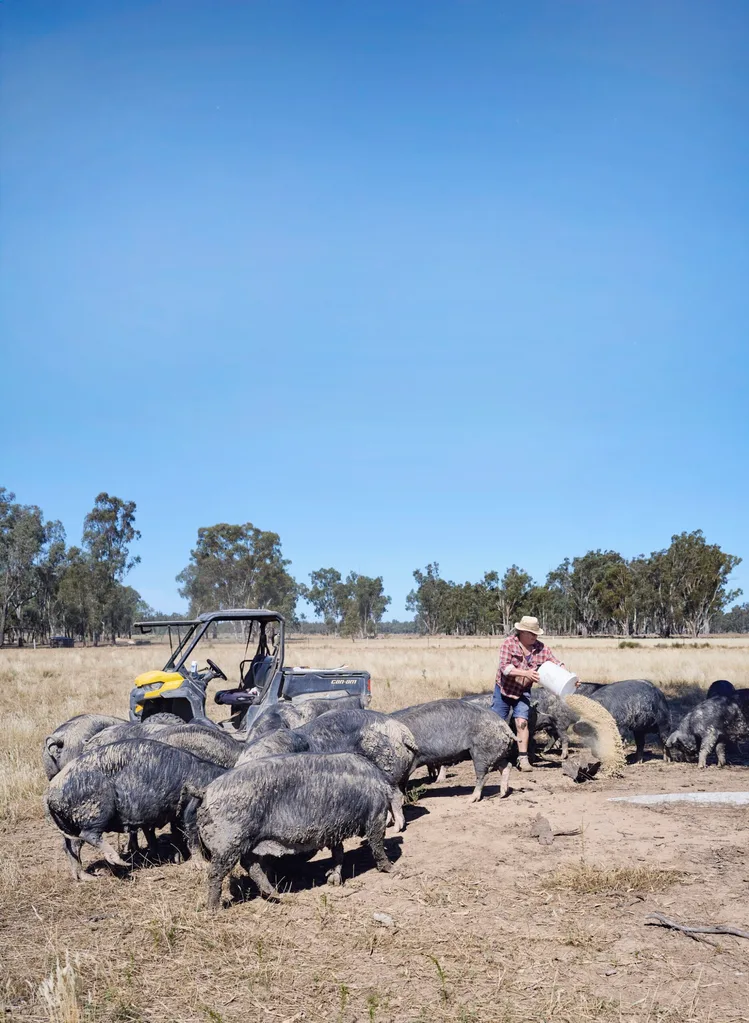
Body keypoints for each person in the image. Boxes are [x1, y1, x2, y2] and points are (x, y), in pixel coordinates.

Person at [491, 615, 567, 773]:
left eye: (536, 633)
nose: (534, 636)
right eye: (531, 633)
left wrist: (569, 677)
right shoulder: (508, 644)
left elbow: (556, 662)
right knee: (496, 724)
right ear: (521, 632)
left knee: (522, 722)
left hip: (523, 691)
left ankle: (523, 758)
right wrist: (526, 673)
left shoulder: (541, 648)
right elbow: (505, 668)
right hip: (504, 690)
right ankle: (494, 758)